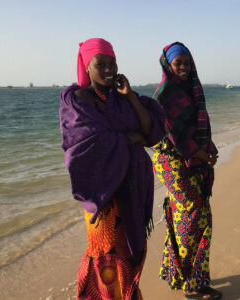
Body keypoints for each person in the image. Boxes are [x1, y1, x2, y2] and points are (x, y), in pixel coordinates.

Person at [59, 38, 166, 300]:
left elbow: (150, 130)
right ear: (86, 66)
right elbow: (82, 146)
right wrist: (128, 138)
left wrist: (129, 95)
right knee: (106, 259)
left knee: (129, 256)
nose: (108, 69)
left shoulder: (121, 98)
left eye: (112, 63)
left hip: (132, 193)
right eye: (101, 64)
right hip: (104, 197)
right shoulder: (77, 101)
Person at [151, 42, 221, 300]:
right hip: (171, 161)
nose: (183, 66)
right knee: (192, 215)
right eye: (178, 62)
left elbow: (199, 126)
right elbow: (173, 135)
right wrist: (199, 153)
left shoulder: (193, 88)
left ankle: (184, 275)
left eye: (186, 62)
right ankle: (188, 279)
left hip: (193, 159)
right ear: (168, 64)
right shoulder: (165, 93)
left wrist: (208, 149)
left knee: (201, 216)